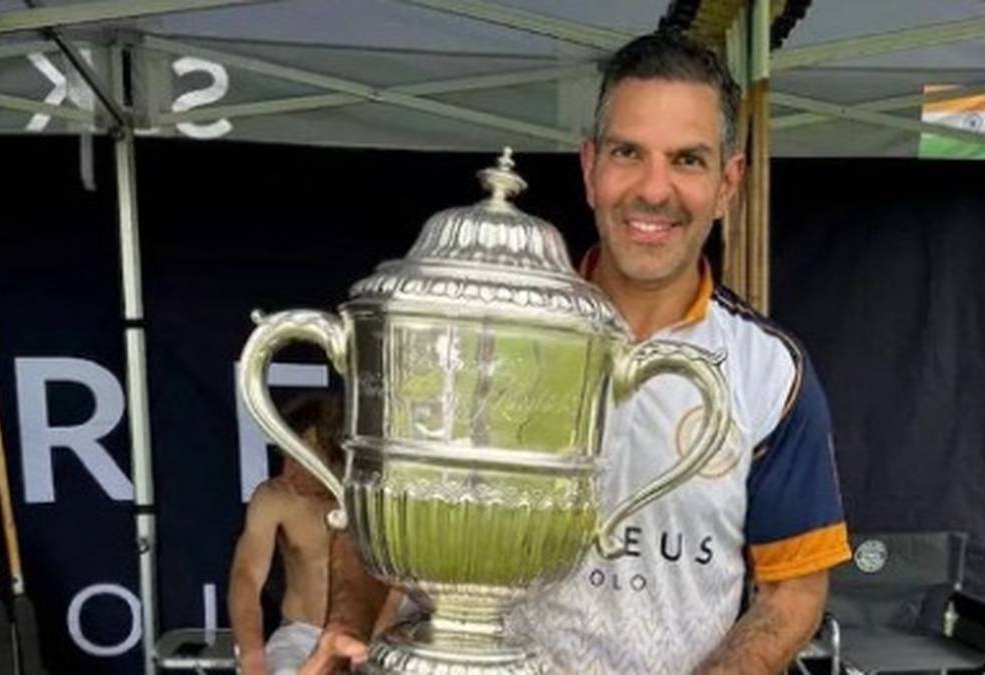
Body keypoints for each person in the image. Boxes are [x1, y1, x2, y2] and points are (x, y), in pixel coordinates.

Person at [304, 30, 852, 674]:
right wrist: (345, 628)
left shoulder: (770, 372)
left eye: (687, 160)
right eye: (628, 153)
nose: (654, 189)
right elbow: (378, 500)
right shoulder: (482, 320)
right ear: (590, 168)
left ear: (728, 184)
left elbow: (793, 591)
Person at [228, 393, 386, 675]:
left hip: (373, 638)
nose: (288, 471)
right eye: (286, 457)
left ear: (335, 455)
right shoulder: (275, 498)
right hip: (300, 637)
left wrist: (373, 647)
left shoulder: (377, 501)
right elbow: (246, 577)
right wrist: (252, 657)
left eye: (301, 460)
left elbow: (397, 590)